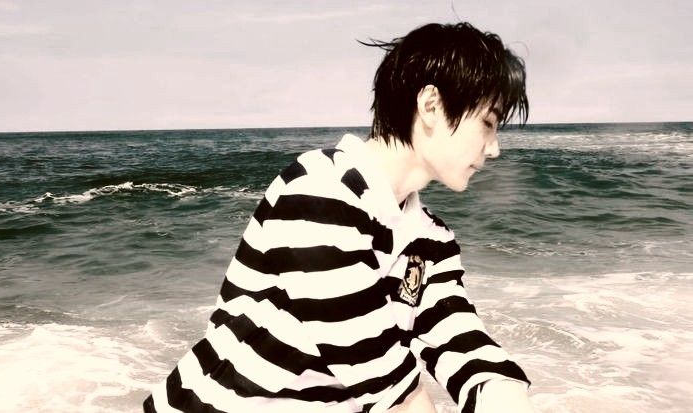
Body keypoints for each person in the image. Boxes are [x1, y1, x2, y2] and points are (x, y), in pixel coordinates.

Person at [145, 22, 535, 413]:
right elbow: (385, 380)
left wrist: (500, 388)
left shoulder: (431, 240)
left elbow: (455, 334)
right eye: (488, 122)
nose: (495, 148)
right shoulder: (318, 192)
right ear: (431, 105)